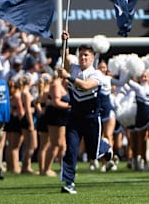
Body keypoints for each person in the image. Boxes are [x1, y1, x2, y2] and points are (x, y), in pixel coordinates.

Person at [56, 31, 112, 194]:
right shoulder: (72, 68)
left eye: (86, 56)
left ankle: (105, 146)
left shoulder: (97, 74)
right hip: (74, 117)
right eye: (81, 55)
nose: (83, 58)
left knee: (93, 153)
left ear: (93, 58)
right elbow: (65, 59)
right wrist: (65, 41)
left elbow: (85, 86)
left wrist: (69, 78)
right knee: (71, 150)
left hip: (92, 118)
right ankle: (69, 182)